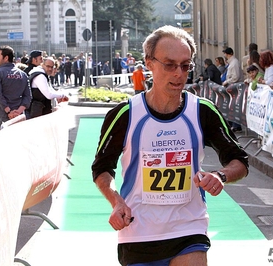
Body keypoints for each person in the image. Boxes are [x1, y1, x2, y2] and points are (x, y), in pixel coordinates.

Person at [91, 25, 248, 266]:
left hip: (189, 228)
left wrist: (221, 176)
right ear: (149, 63)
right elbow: (101, 168)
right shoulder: (125, 114)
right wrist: (116, 202)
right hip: (138, 231)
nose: (179, 73)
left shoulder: (202, 111)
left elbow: (240, 161)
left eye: (185, 66)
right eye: (169, 64)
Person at [0, 45, 31, 133]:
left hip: (2, 115)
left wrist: (9, 111)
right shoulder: (23, 74)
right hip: (19, 115)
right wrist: (18, 112)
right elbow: (28, 96)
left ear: (6, 58)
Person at [222, 47, 243, 132]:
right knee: (231, 106)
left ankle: (236, 125)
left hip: (235, 87)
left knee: (234, 106)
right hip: (232, 87)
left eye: (225, 54)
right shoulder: (232, 63)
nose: (225, 55)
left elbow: (235, 77)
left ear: (229, 54)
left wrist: (227, 81)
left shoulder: (234, 63)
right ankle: (232, 123)